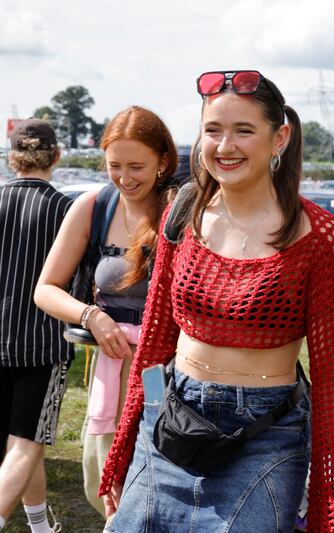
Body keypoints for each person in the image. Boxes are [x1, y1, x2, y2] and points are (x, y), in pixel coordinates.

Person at [97, 70, 334, 532]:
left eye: (244, 130)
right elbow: (156, 343)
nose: (225, 146)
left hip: (264, 435)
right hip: (170, 423)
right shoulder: (182, 215)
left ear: (279, 137)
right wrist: (131, 439)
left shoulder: (322, 236)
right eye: (213, 130)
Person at [34, 106, 178, 519]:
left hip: (161, 373)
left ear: (163, 162)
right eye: (115, 166)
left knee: (155, 460)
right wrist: (90, 316)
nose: (125, 178)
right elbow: (45, 289)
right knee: (103, 474)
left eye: (138, 166)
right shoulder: (93, 206)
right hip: (111, 369)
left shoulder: (180, 211)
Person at [0, 119, 72, 533]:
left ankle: (41, 525)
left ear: (13, 158)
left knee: (21, 447)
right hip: (42, 343)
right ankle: (38, 525)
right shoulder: (65, 209)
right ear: (56, 156)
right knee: (25, 443)